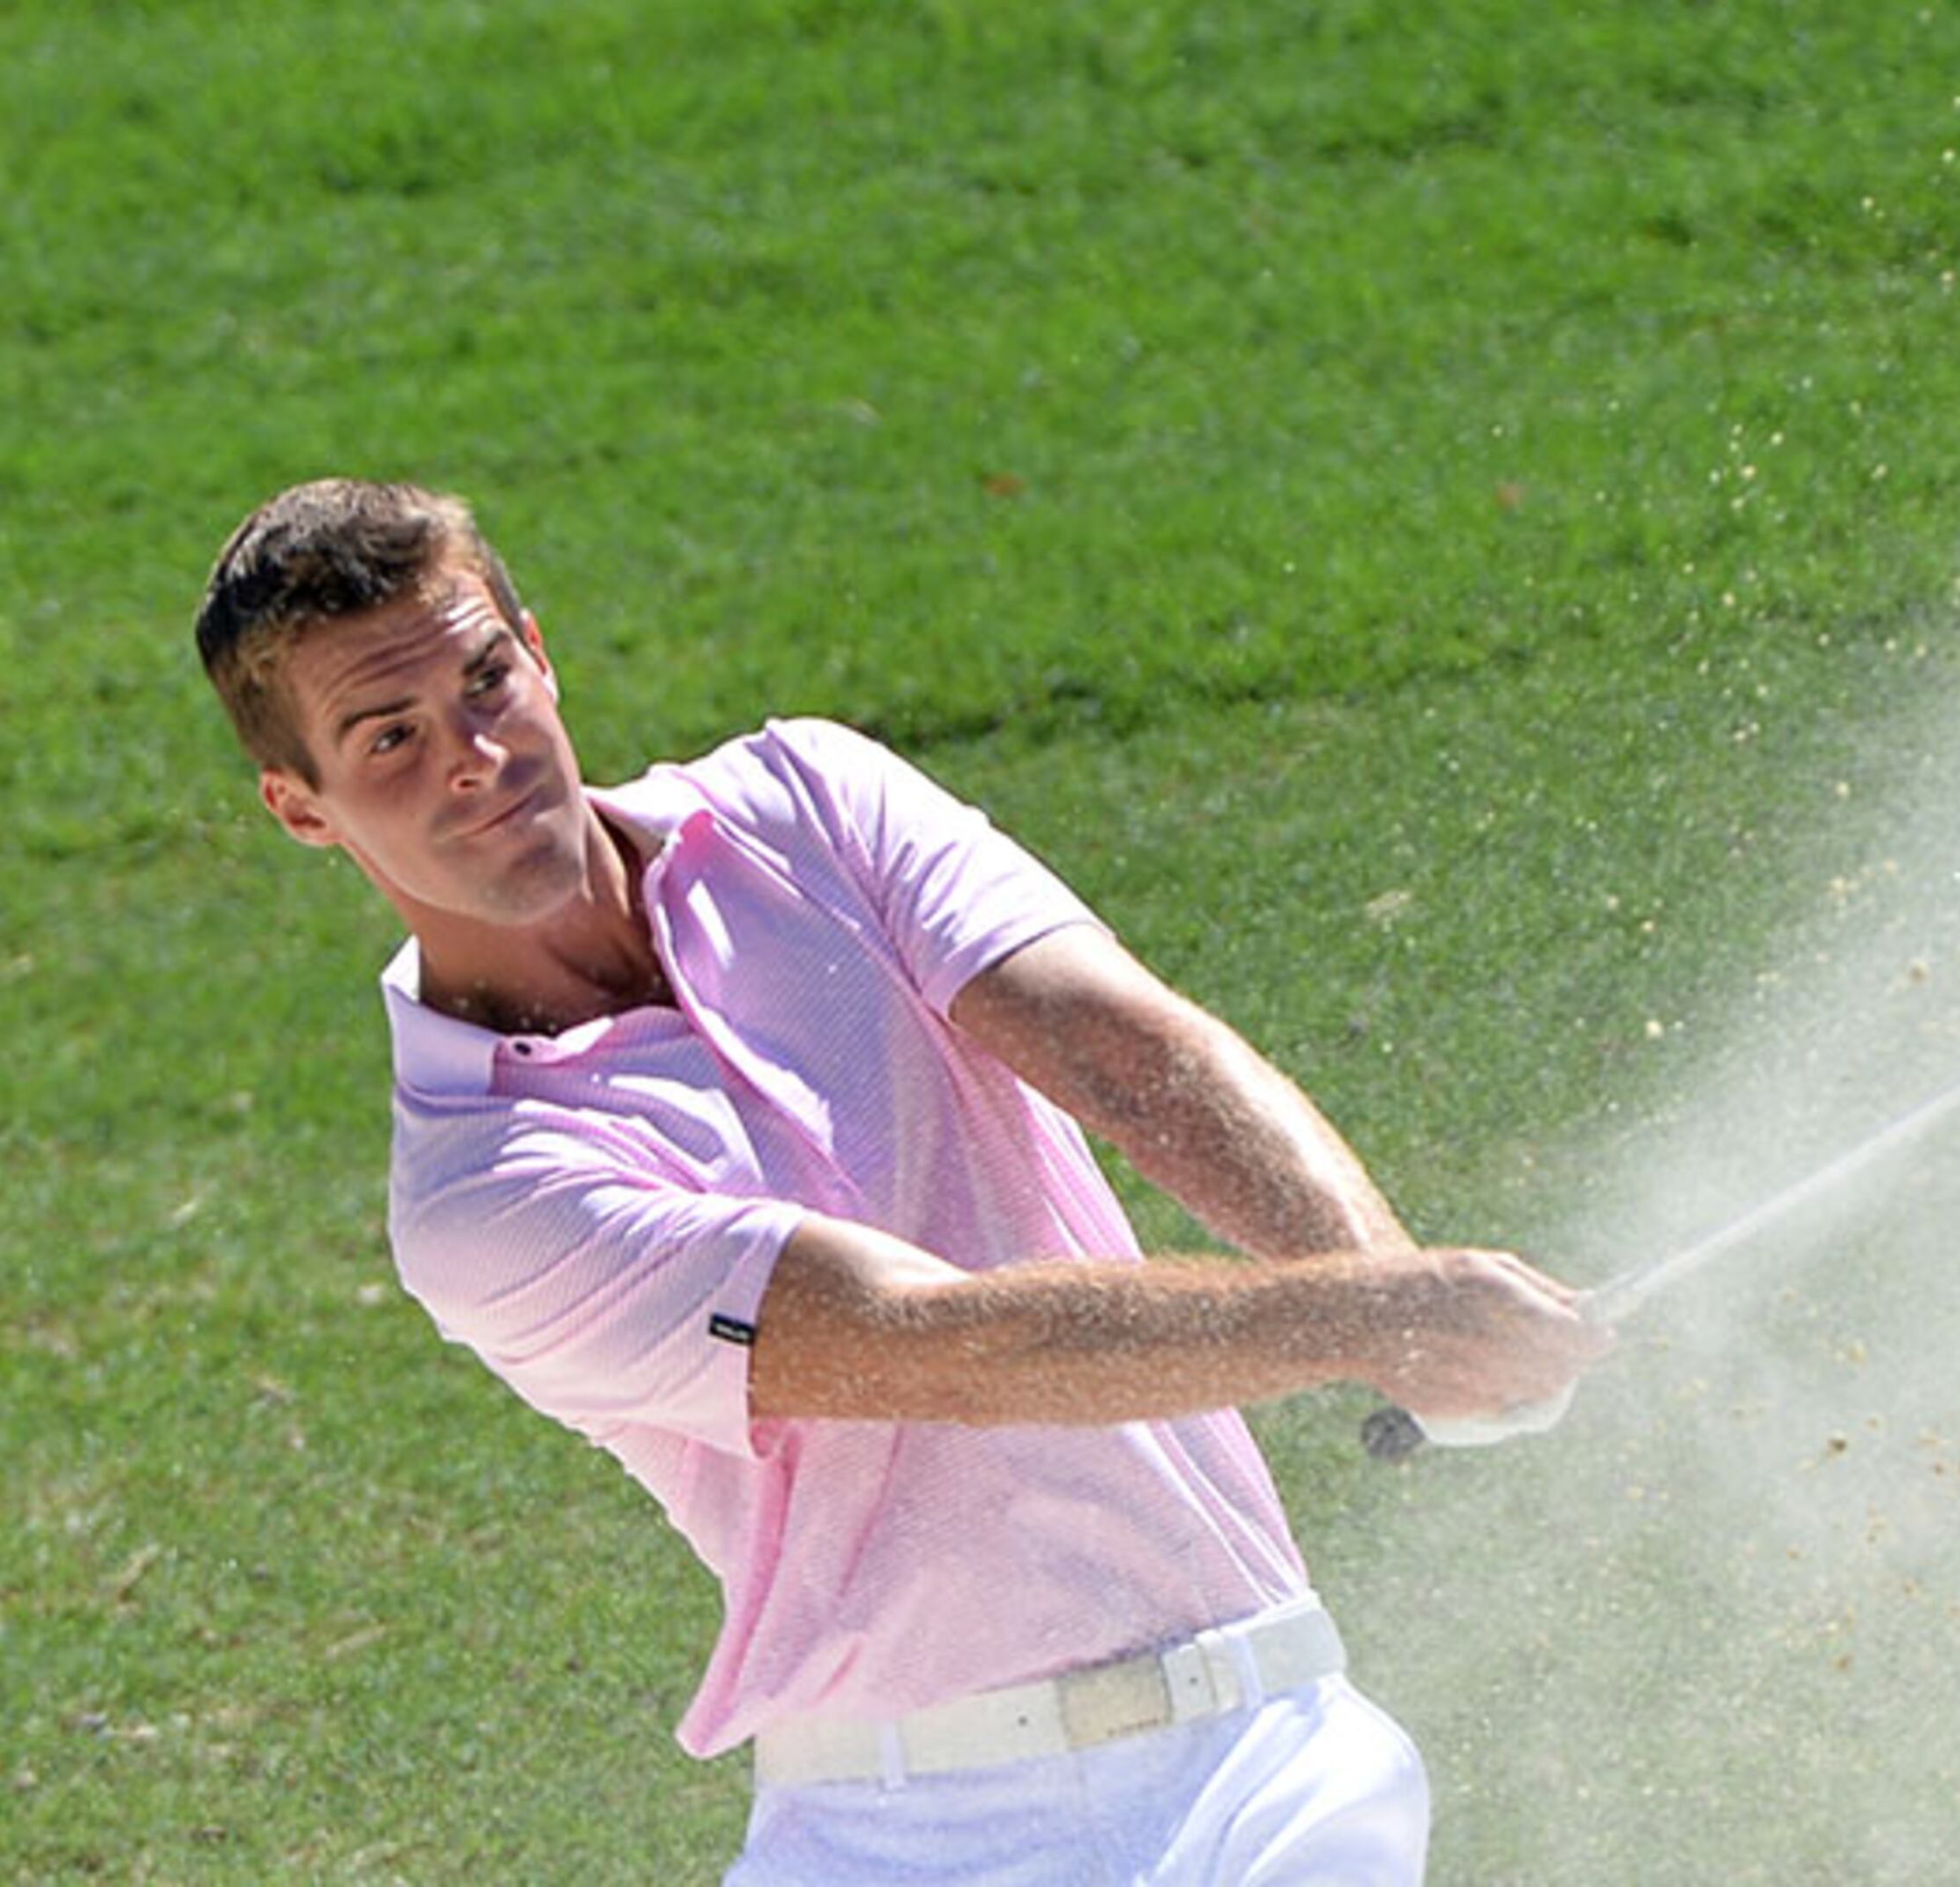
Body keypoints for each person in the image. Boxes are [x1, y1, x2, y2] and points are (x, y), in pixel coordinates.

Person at [192, 478, 1608, 1884]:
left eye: (487, 679)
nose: (474, 755)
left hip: (1265, 1755)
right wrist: (1369, 1321)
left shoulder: (811, 798)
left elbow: (1130, 1054)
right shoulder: (481, 1194)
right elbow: (937, 1346)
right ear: (301, 808)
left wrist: (1403, 1313)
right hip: (903, 1837)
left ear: (539, 651)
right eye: (390, 737)